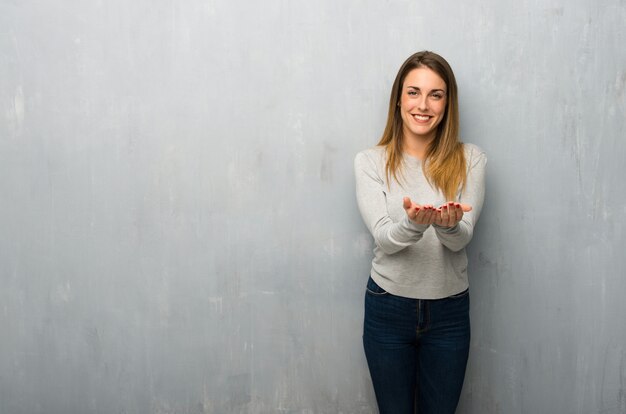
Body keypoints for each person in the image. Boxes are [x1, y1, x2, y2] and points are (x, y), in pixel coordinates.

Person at [354, 51, 486, 414]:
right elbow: (384, 238)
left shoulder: (470, 158)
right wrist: (415, 223)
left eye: (435, 94)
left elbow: (463, 238)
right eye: (413, 92)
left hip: (450, 313)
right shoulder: (370, 161)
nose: (423, 105)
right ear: (399, 98)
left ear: (448, 103)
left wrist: (448, 226)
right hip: (387, 307)